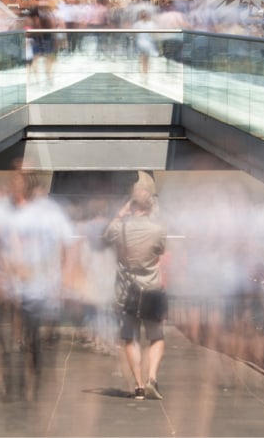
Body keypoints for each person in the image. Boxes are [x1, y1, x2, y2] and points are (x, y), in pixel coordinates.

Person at [0, 163, 77, 404]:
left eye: (21, 181)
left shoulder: (49, 212)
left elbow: (67, 245)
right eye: (14, 180)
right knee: (7, 344)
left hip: (39, 290)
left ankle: (34, 385)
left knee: (35, 340)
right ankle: (14, 388)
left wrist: (63, 280)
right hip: (6, 289)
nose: (15, 186)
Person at [103, 171, 169, 400]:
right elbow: (161, 250)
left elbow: (105, 237)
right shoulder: (158, 229)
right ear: (150, 207)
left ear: (132, 206)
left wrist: (120, 214)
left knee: (130, 337)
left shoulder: (119, 228)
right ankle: (152, 377)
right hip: (151, 288)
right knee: (156, 336)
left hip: (127, 290)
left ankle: (139, 386)